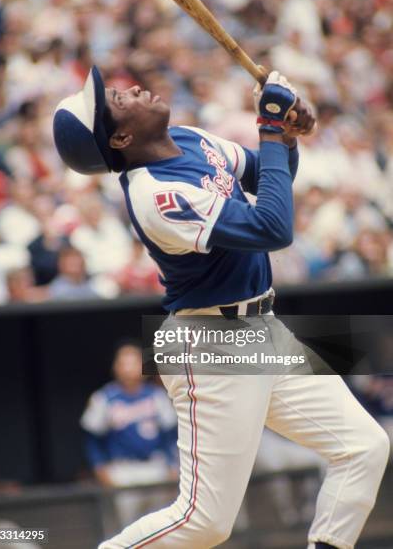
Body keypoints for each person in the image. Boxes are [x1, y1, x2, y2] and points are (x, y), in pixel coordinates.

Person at [53, 67, 390, 549]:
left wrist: (286, 139)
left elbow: (271, 177)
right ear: (123, 136)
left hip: (260, 329)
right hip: (209, 342)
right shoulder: (155, 195)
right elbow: (273, 228)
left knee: (364, 447)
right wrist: (271, 127)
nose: (128, 90)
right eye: (117, 103)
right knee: (204, 522)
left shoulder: (187, 137)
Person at [81, 343, 178, 527]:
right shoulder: (104, 397)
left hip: (156, 467)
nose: (129, 368)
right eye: (124, 363)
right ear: (115, 367)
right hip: (122, 470)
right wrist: (100, 468)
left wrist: (173, 465)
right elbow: (92, 439)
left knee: (161, 526)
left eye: (134, 362)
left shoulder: (157, 395)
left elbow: (170, 435)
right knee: (125, 529)